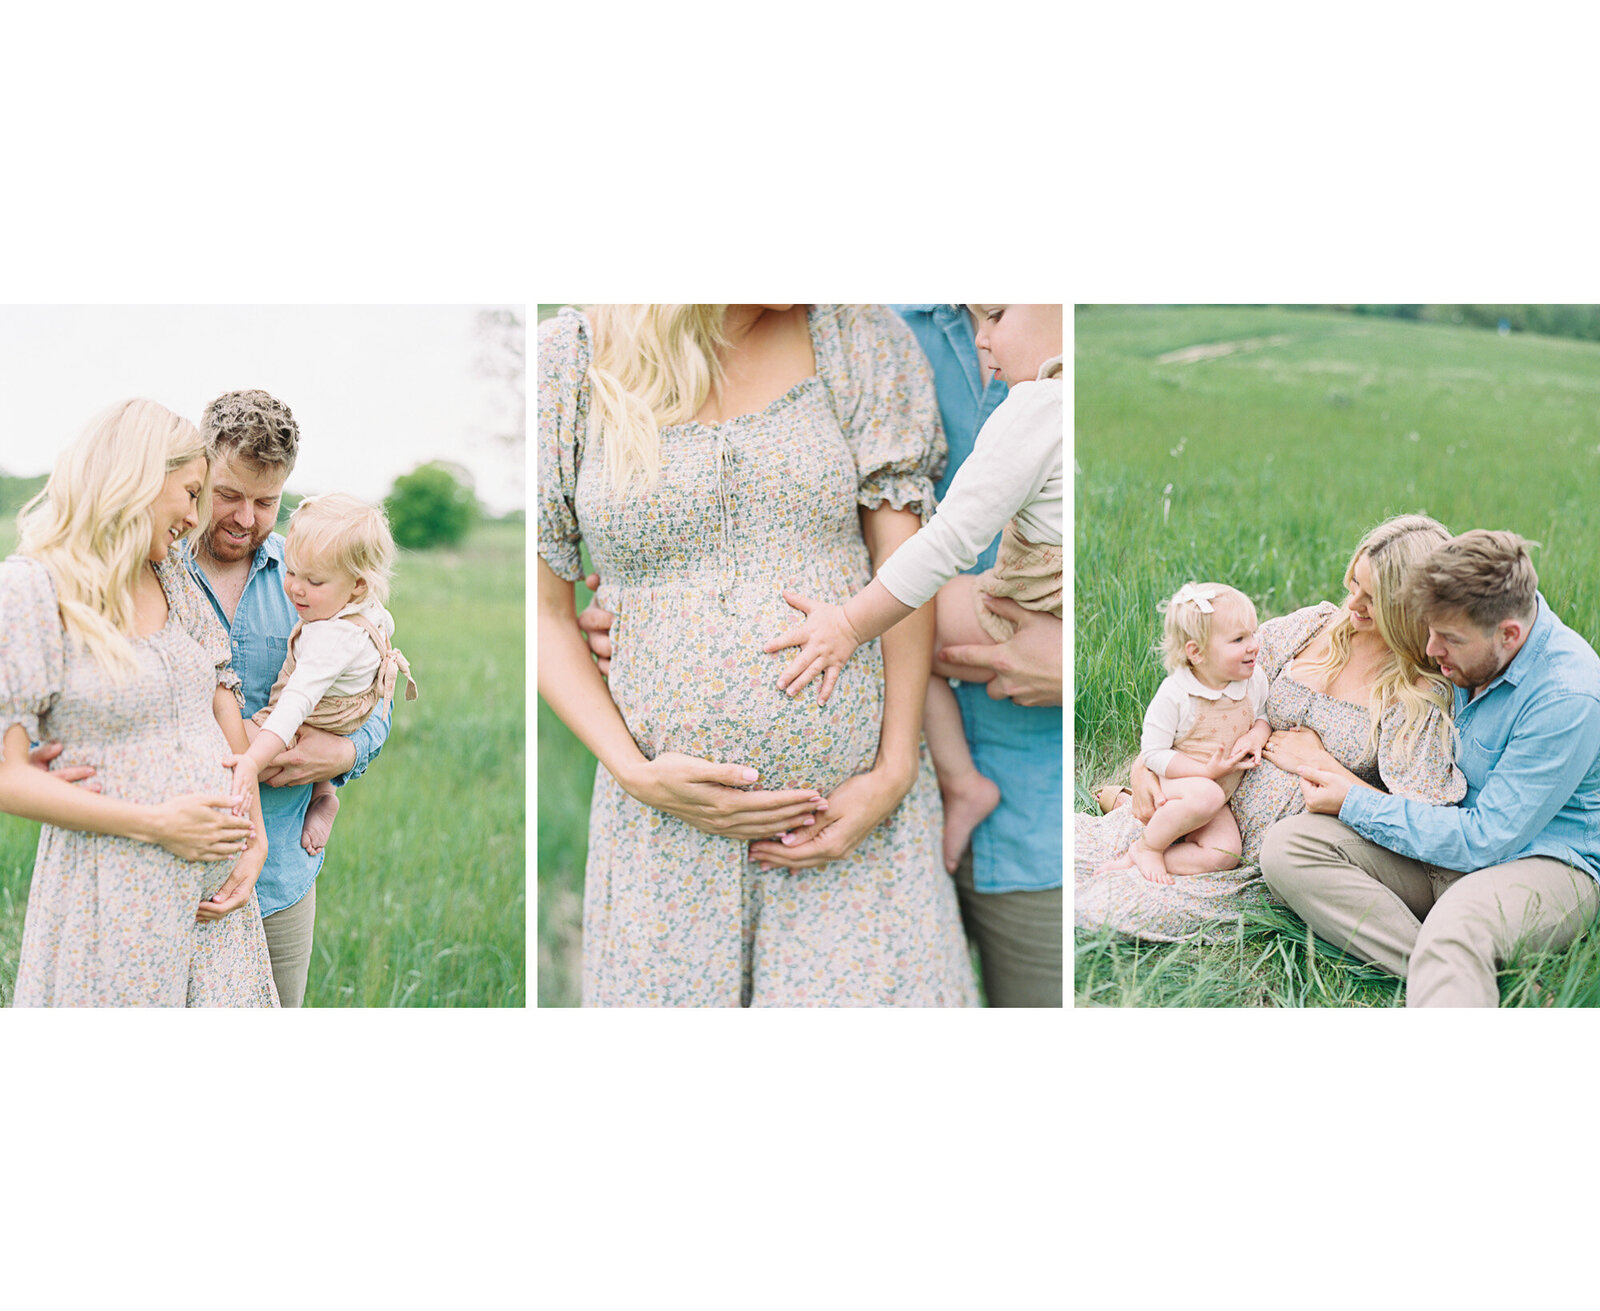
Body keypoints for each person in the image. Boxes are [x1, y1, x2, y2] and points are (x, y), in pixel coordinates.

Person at [538, 303, 977, 1006]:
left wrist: (894, 768)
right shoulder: (568, 359)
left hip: (852, 825)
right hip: (663, 836)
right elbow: (545, 616)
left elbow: (905, 564)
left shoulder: (857, 335)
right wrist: (636, 771)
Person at [762, 304, 1063, 875]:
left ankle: (962, 781)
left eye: (996, 316)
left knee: (903, 627)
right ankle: (962, 781)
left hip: (1028, 609)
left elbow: (947, 538)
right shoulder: (872, 324)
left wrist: (849, 624)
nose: (983, 339)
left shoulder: (1038, 403)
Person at [1, 399, 277, 1006]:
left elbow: (218, 685)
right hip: (116, 890)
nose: (194, 516)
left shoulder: (169, 574)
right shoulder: (31, 589)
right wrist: (158, 825)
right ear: (138, 477)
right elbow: (5, 776)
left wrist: (251, 833)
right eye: (190, 492)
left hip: (215, 911)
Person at [1077, 515, 1465, 943]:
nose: (1352, 604)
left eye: (1373, 600)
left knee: (1106, 905)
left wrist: (1323, 766)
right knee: (1070, 857)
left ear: (1409, 608)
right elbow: (1207, 684)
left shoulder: (1414, 693)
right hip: (1198, 808)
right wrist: (1144, 766)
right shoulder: (1312, 627)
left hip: (1248, 861)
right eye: (1354, 583)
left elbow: (1424, 825)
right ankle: (1130, 812)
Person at [1261, 530, 1600, 1007]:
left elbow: (1486, 840)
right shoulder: (1468, 634)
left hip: (1538, 861)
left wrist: (1356, 801)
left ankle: (1454, 960)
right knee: (1288, 847)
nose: (1431, 650)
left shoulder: (1567, 696)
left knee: (1456, 925)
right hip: (1441, 839)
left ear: (1509, 634)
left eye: (1450, 640)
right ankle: (1471, 975)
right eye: (1429, 629)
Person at [181, 391, 392, 1007]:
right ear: (201, 471)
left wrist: (346, 753)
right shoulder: (157, 567)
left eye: (266, 501)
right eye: (228, 495)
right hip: (172, 863)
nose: (246, 518)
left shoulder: (315, 574)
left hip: (280, 879)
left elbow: (373, 696)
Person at [230, 492, 417, 855]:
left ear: (358, 584)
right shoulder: (363, 605)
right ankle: (324, 793)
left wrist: (251, 761)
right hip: (350, 707)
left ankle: (240, 806)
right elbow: (384, 626)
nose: (296, 587)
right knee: (318, 733)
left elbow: (295, 703)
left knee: (239, 742)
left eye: (314, 581)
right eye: (292, 571)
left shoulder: (330, 639)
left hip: (320, 709)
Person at [1093, 582, 1270, 884]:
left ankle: (1143, 857)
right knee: (1206, 792)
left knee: (1226, 853)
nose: (1253, 644)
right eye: (1239, 639)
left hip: (1214, 800)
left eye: (1252, 633)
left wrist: (1255, 736)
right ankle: (1149, 845)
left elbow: (1263, 716)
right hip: (1176, 785)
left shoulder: (1253, 681)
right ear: (1197, 652)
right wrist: (1204, 771)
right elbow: (1153, 753)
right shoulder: (1177, 695)